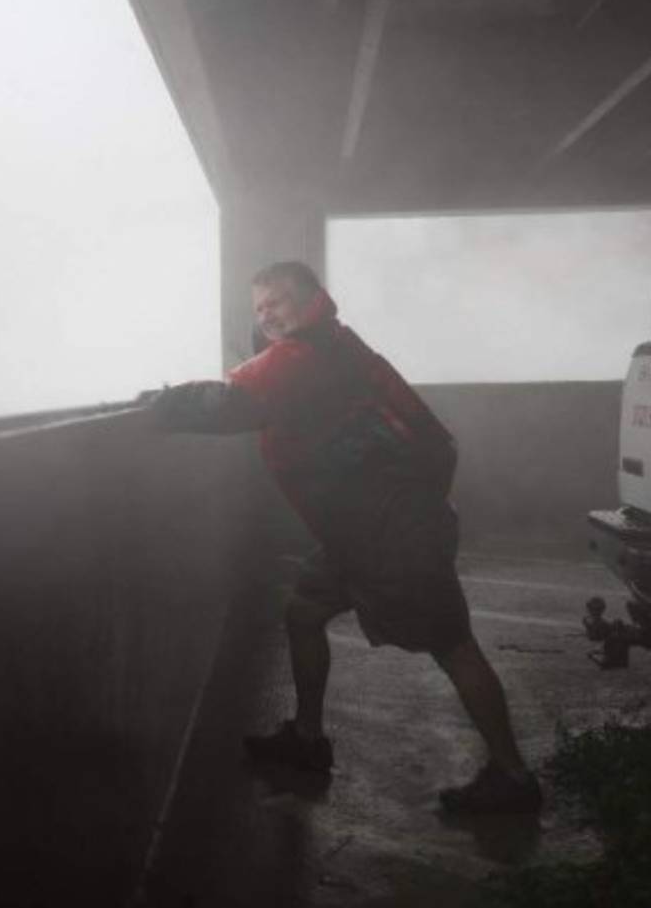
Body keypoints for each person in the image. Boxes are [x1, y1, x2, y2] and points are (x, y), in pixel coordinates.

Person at [152, 260, 540, 814]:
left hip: (390, 534)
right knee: (304, 612)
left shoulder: (304, 355)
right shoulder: (338, 347)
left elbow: (228, 404)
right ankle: (307, 739)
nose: (267, 315)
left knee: (453, 646)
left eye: (279, 301)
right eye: (259, 307)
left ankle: (514, 777)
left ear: (312, 298)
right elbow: (437, 444)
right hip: (361, 533)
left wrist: (159, 403)